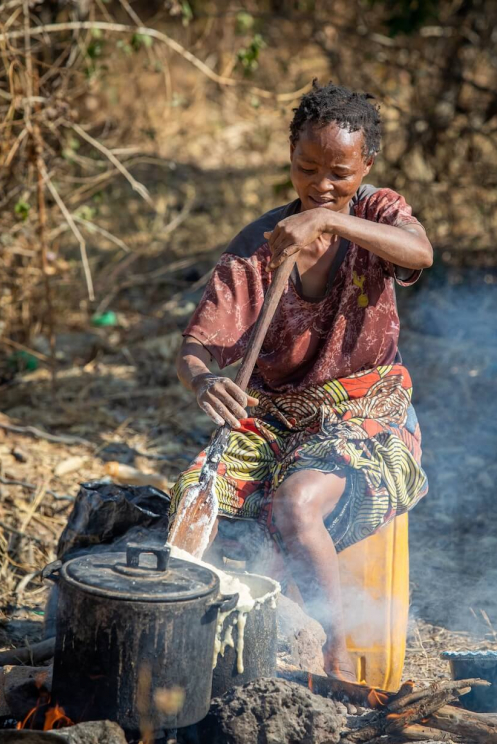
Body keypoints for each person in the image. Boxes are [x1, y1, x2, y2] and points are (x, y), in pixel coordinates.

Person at [171, 81, 431, 681]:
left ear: (366, 165)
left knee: (294, 505)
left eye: (339, 172)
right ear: (288, 157)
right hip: (272, 418)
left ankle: (336, 648)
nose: (321, 185)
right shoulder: (259, 245)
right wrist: (204, 380)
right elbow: (196, 347)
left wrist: (332, 222)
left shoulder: (377, 212)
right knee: (195, 501)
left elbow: (420, 254)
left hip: (367, 413)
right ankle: (182, 645)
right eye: (306, 168)